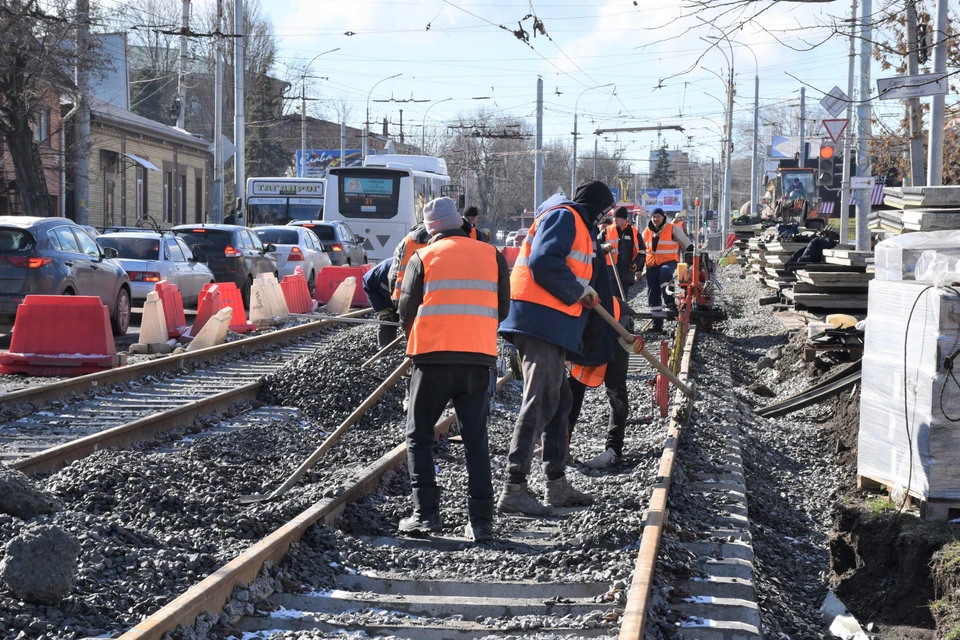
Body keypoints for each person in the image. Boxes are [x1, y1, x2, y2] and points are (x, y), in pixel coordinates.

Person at [497, 180, 615, 516]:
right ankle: (514, 486)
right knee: (540, 399)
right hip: (539, 321)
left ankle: (556, 481)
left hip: (550, 321)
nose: (605, 219)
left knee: (560, 400)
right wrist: (578, 290)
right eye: (604, 212)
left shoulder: (576, 222)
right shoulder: (565, 217)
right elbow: (544, 261)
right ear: (596, 206)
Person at [398, 197, 510, 543]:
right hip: (478, 359)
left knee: (418, 436)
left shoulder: (423, 257)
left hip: (431, 359)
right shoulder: (492, 255)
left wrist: (415, 339)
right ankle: (480, 522)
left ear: (430, 230)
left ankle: (426, 514)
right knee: (476, 439)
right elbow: (502, 310)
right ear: (460, 223)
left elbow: (406, 310)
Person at [567, 296, 641, 470]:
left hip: (617, 324)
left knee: (615, 387)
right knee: (575, 383)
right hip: (590, 325)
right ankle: (562, 442)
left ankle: (613, 450)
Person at [642, 208, 693, 333]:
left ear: (663, 217)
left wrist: (691, 259)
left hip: (668, 261)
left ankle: (670, 302)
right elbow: (641, 248)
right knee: (653, 293)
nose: (655, 219)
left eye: (658, 216)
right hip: (651, 265)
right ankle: (657, 325)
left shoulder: (672, 228)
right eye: (653, 216)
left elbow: (686, 242)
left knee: (665, 274)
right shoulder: (647, 231)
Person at [389, 223, 432, 303]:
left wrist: (393, 295)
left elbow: (393, 273)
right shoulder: (444, 242)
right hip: (430, 298)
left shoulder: (406, 241)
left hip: (402, 298)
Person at [361, 258, 398, 349]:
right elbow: (367, 282)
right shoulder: (380, 274)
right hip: (386, 299)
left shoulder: (412, 272)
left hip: (406, 298)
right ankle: (385, 348)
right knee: (387, 318)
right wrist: (381, 308)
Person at [603, 206, 642, 292]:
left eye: (617, 217)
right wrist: (603, 247)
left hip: (627, 273)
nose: (614, 220)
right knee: (612, 298)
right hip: (610, 273)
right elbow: (596, 246)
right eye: (614, 218)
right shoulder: (607, 231)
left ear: (624, 219)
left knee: (622, 299)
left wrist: (637, 264)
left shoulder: (634, 232)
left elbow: (642, 251)